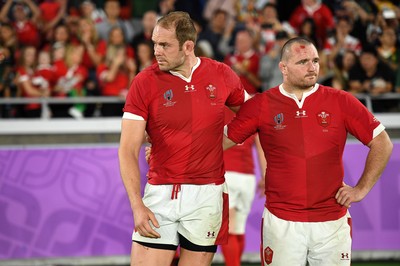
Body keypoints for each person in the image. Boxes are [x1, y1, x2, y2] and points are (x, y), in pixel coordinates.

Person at [223, 37, 393, 265]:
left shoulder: (340, 101)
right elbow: (220, 142)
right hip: (281, 221)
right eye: (303, 61)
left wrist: (361, 189)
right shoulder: (261, 104)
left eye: (315, 60)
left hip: (332, 222)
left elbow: (382, 142)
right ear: (283, 68)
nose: (312, 67)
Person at [118, 11, 248, 266]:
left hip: (207, 195)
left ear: (188, 46)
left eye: (164, 45)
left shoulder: (221, 74)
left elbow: (252, 115)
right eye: (155, 43)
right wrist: (136, 205)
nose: (156, 51)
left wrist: (219, 141)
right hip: (161, 194)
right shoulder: (144, 82)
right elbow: (127, 149)